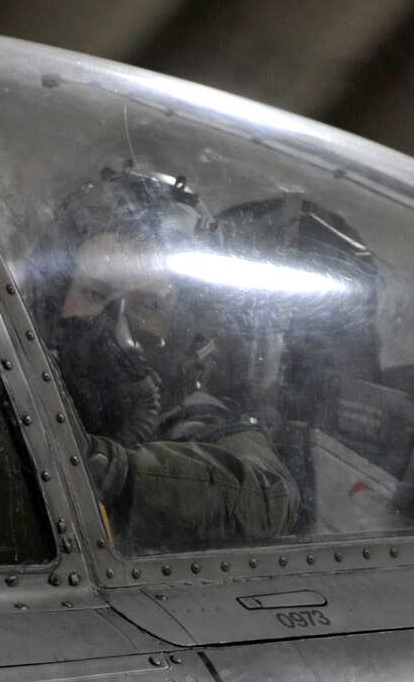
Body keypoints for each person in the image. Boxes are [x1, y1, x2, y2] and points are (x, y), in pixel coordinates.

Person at [42, 167, 300, 552]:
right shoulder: (51, 415)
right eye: (96, 294)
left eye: (149, 305)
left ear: (184, 324)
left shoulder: (196, 422)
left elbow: (268, 497)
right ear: (53, 297)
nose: (120, 330)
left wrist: (107, 469)